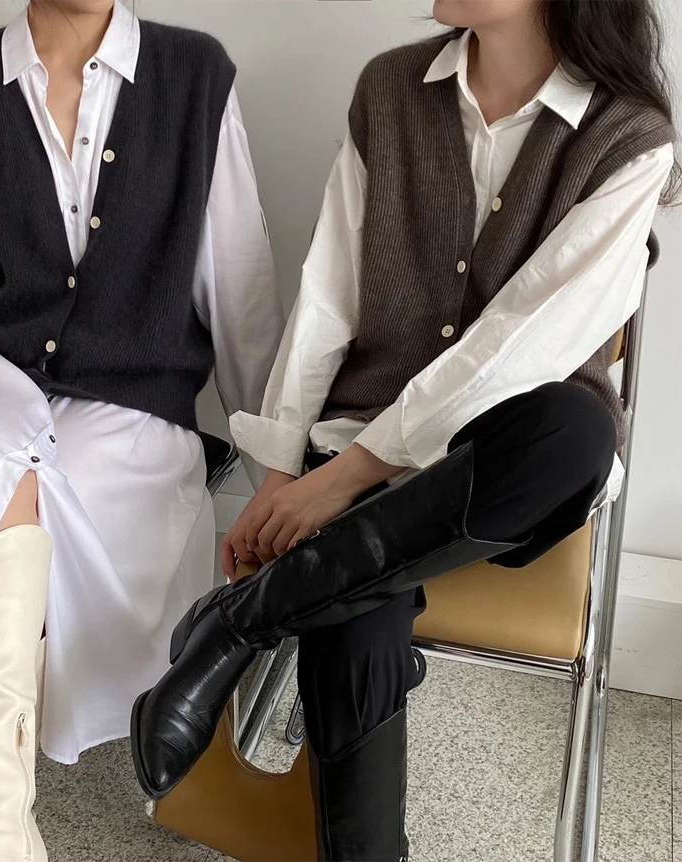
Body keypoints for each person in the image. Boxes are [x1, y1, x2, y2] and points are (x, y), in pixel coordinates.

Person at [130, 0, 678, 859]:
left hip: (507, 467)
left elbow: (526, 344)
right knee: (356, 598)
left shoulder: (630, 138)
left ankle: (237, 624)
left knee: (575, 430)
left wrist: (343, 479)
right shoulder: (391, 90)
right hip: (359, 445)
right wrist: (282, 472)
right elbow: (329, 296)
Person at [0, 1, 283, 860]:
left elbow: (240, 293)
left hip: (132, 401)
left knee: (9, 482)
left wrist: (276, 473)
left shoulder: (194, 76)